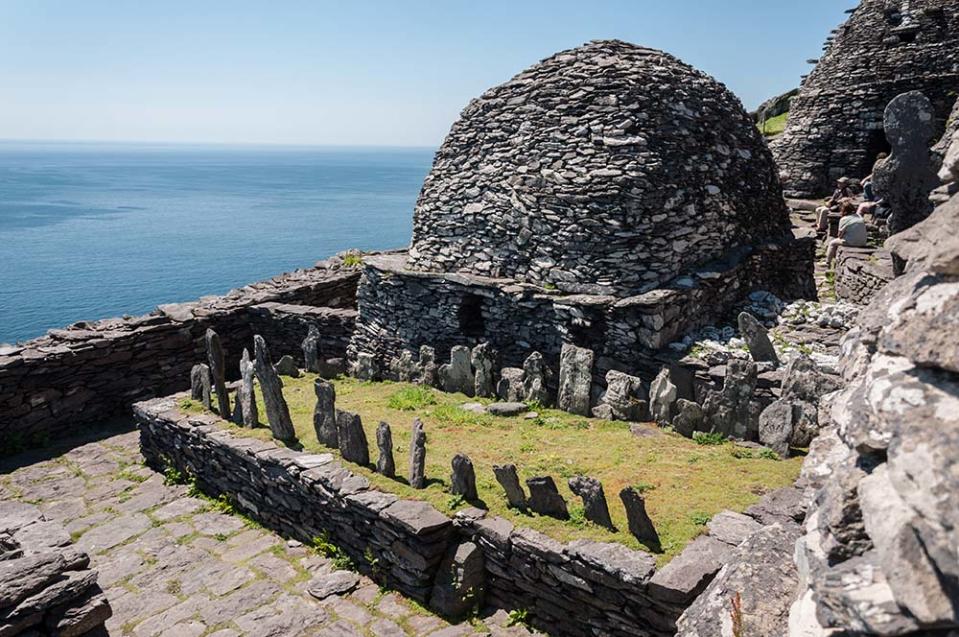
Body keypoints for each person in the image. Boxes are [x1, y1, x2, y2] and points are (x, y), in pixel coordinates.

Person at [826, 201, 869, 268]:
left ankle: (827, 262)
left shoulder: (844, 219)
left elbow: (840, 235)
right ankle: (834, 261)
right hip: (863, 242)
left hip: (852, 242)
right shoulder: (860, 217)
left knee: (832, 243)